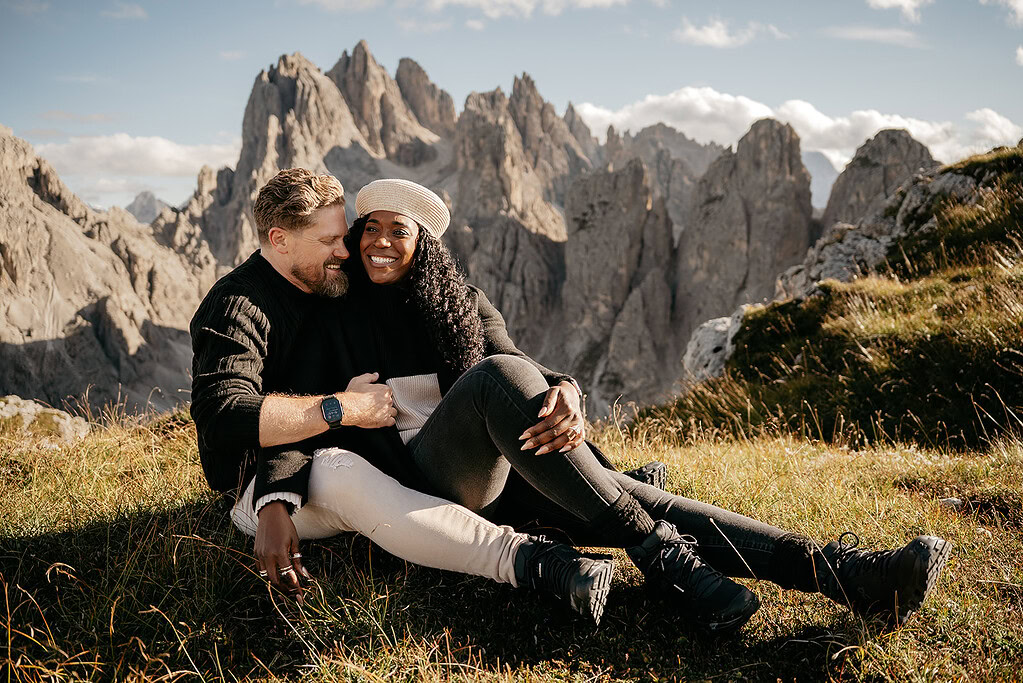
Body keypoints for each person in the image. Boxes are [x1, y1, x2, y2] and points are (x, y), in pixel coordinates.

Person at [327, 177, 951, 635]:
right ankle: (660, 556)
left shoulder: (458, 304)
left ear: (424, 246)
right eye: (371, 228)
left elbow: (522, 366)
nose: (381, 242)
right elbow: (493, 379)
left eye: (398, 231)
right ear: (355, 238)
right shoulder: (337, 312)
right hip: (414, 486)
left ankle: (852, 576)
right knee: (501, 386)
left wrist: (567, 389)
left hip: (492, 477)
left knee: (643, 498)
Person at [189, 168, 617, 623]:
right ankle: (534, 562)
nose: (346, 250)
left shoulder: (323, 283)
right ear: (280, 239)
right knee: (341, 470)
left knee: (379, 462)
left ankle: (620, 497)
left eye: (345, 235)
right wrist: (334, 417)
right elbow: (223, 418)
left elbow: (502, 353)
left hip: (324, 455)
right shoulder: (237, 304)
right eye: (331, 240)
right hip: (259, 485)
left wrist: (562, 383)